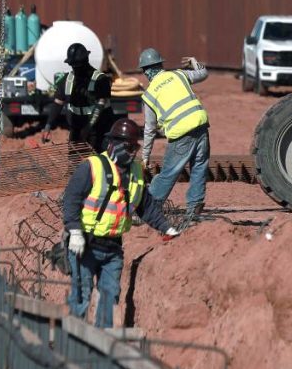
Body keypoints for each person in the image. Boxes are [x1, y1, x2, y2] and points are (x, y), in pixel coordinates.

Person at [62, 118, 178, 328]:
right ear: (114, 144)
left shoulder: (136, 172)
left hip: (113, 248)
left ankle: (101, 345)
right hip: (85, 245)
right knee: (81, 295)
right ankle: (73, 345)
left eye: (135, 147)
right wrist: (74, 231)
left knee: (110, 295)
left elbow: (146, 207)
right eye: (129, 147)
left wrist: (166, 227)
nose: (133, 152)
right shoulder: (92, 167)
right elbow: (71, 199)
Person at [139, 48, 210, 225]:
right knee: (199, 167)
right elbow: (203, 73)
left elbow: (149, 129)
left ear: (146, 71)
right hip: (200, 125)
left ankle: (147, 208)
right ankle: (194, 208)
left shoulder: (149, 94)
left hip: (181, 133)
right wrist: (194, 61)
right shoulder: (179, 75)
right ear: (161, 65)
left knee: (168, 172)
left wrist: (145, 157)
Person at [43, 43, 115, 152]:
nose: (75, 68)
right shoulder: (66, 80)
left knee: (98, 163)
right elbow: (57, 103)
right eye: (72, 65)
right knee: (74, 163)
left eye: (77, 65)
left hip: (99, 129)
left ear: (85, 61)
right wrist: (48, 126)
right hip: (76, 130)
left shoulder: (100, 80)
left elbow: (99, 107)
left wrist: (87, 128)